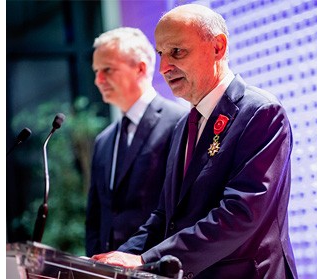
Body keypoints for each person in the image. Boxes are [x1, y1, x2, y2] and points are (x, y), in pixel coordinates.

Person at [92, 4, 298, 279]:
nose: (164, 68)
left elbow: (240, 214)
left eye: (177, 52)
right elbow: (165, 217)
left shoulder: (261, 112)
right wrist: (112, 261)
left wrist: (146, 259)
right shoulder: (183, 125)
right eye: (161, 54)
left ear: (218, 47)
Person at [85, 27, 187, 257]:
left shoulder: (179, 122)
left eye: (107, 70)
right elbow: (95, 218)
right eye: (96, 71)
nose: (98, 80)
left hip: (156, 267)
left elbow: (180, 209)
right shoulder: (104, 140)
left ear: (140, 68)